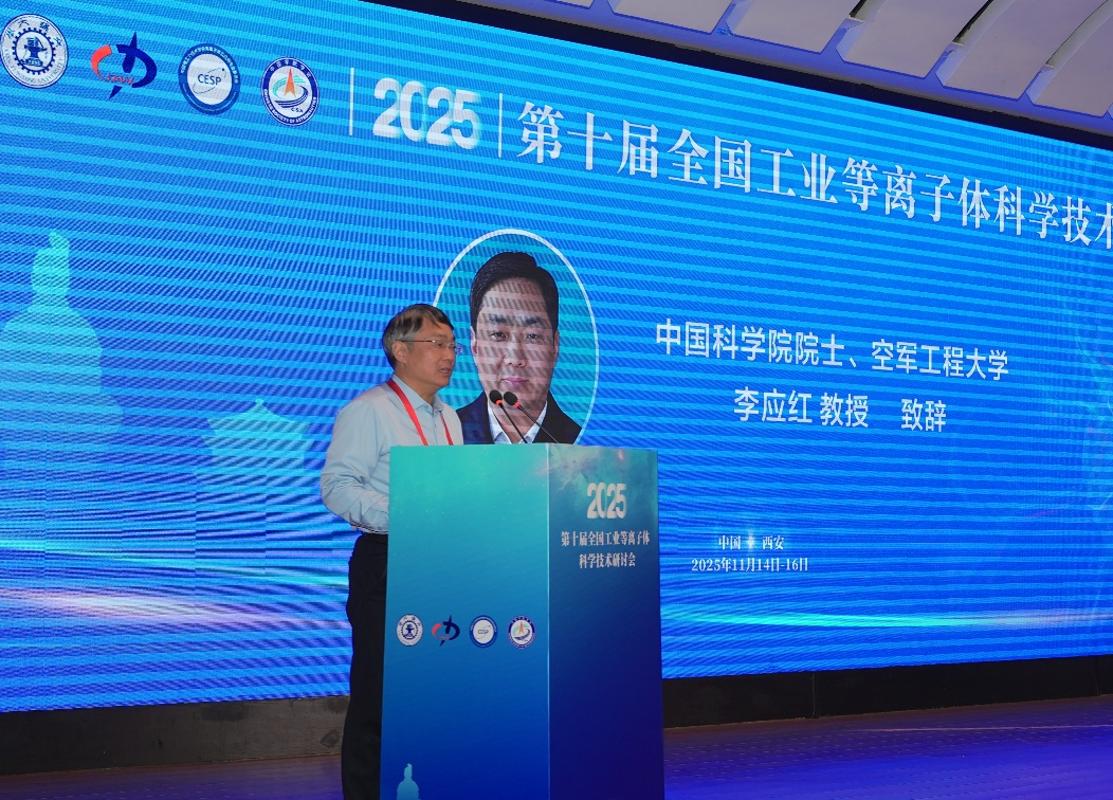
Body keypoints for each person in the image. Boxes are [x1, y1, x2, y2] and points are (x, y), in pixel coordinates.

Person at [320, 303, 463, 800]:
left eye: (452, 345)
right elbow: (337, 487)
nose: (449, 355)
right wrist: (406, 513)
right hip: (388, 562)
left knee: (433, 695)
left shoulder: (450, 418)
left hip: (441, 564)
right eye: (437, 344)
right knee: (379, 698)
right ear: (400, 350)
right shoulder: (370, 411)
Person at [457, 251, 581, 444]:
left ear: (555, 346)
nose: (515, 358)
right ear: (475, 345)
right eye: (498, 335)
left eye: (532, 336)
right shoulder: (441, 438)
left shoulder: (584, 444)